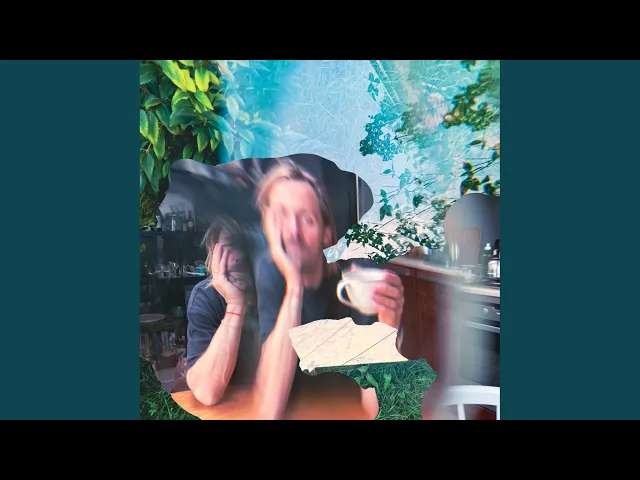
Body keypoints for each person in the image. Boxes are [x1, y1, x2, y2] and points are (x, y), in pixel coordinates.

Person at [252, 160, 405, 420]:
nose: (293, 231)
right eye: (281, 216)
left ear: (326, 234)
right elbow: (269, 410)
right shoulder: (270, 274)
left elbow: (377, 409)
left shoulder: (357, 282)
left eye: (307, 219)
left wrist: (387, 328)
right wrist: (294, 286)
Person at [184, 215, 260, 406]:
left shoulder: (287, 289)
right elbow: (207, 392)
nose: (242, 256)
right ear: (213, 248)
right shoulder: (206, 296)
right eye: (233, 244)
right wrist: (235, 305)